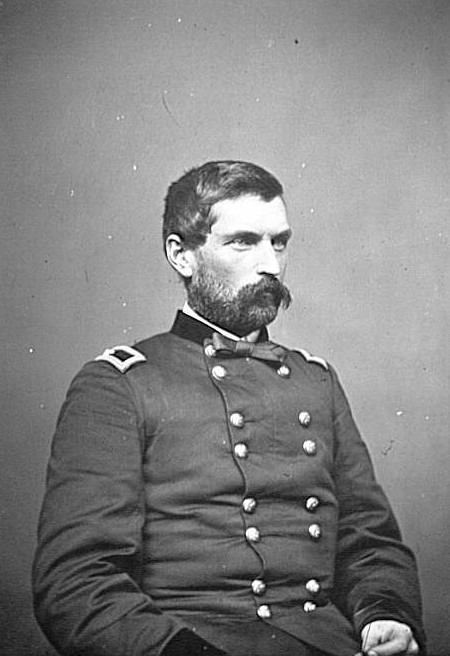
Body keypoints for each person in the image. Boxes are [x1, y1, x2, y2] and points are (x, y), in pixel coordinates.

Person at [33, 160, 426, 656]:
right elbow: (76, 581)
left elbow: (369, 539)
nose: (271, 264)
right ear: (181, 255)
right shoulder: (120, 385)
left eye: (278, 242)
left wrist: (385, 613)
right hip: (189, 644)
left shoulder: (315, 380)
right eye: (243, 242)